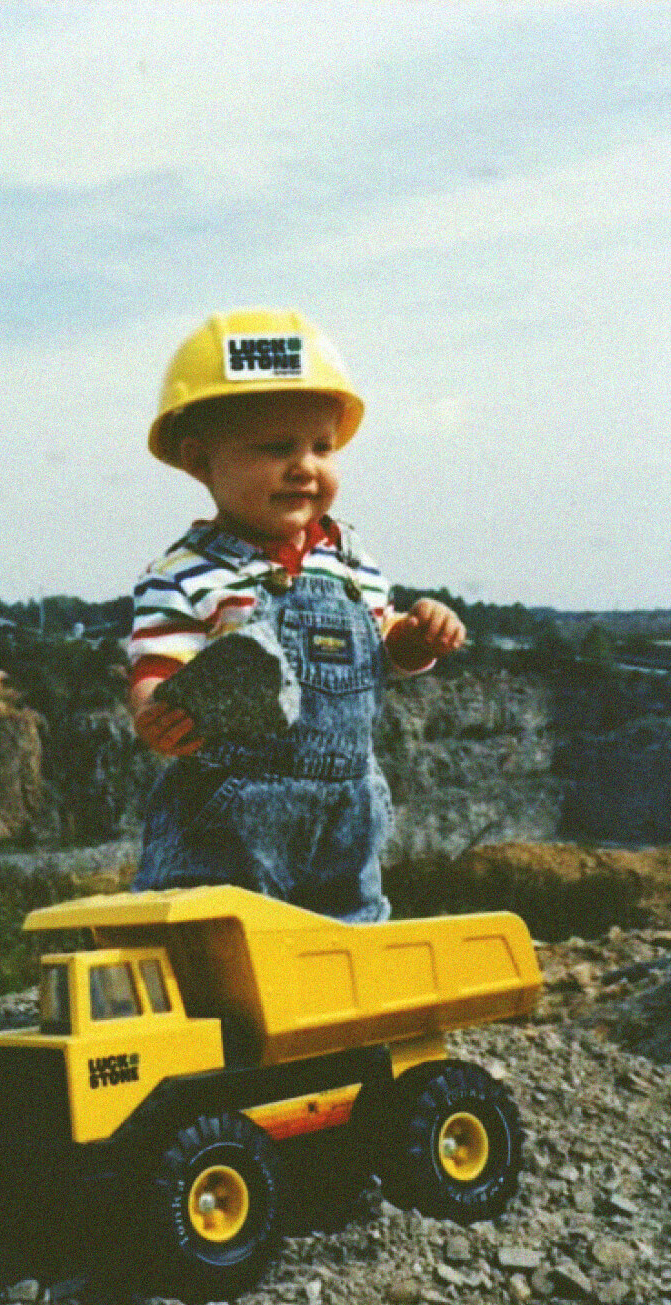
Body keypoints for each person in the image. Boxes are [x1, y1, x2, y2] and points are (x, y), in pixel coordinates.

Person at [128, 309, 465, 922]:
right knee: (225, 939)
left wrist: (417, 637)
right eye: (277, 447)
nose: (305, 465)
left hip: (348, 814)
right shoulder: (184, 572)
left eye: (321, 447)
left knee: (348, 933)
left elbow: (383, 651)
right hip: (231, 823)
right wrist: (155, 711)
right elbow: (158, 660)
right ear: (201, 461)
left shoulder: (349, 560)